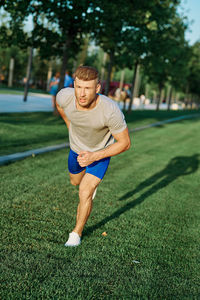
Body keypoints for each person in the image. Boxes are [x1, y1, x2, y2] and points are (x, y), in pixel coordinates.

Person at [56, 66, 131, 247]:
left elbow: (125, 143)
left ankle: (76, 234)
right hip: (76, 150)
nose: (81, 94)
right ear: (74, 84)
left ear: (97, 88)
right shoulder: (64, 96)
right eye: (79, 87)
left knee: (85, 191)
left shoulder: (110, 111)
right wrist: (69, 127)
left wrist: (94, 156)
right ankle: (86, 184)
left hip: (99, 154)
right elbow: (60, 107)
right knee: (75, 182)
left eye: (87, 88)